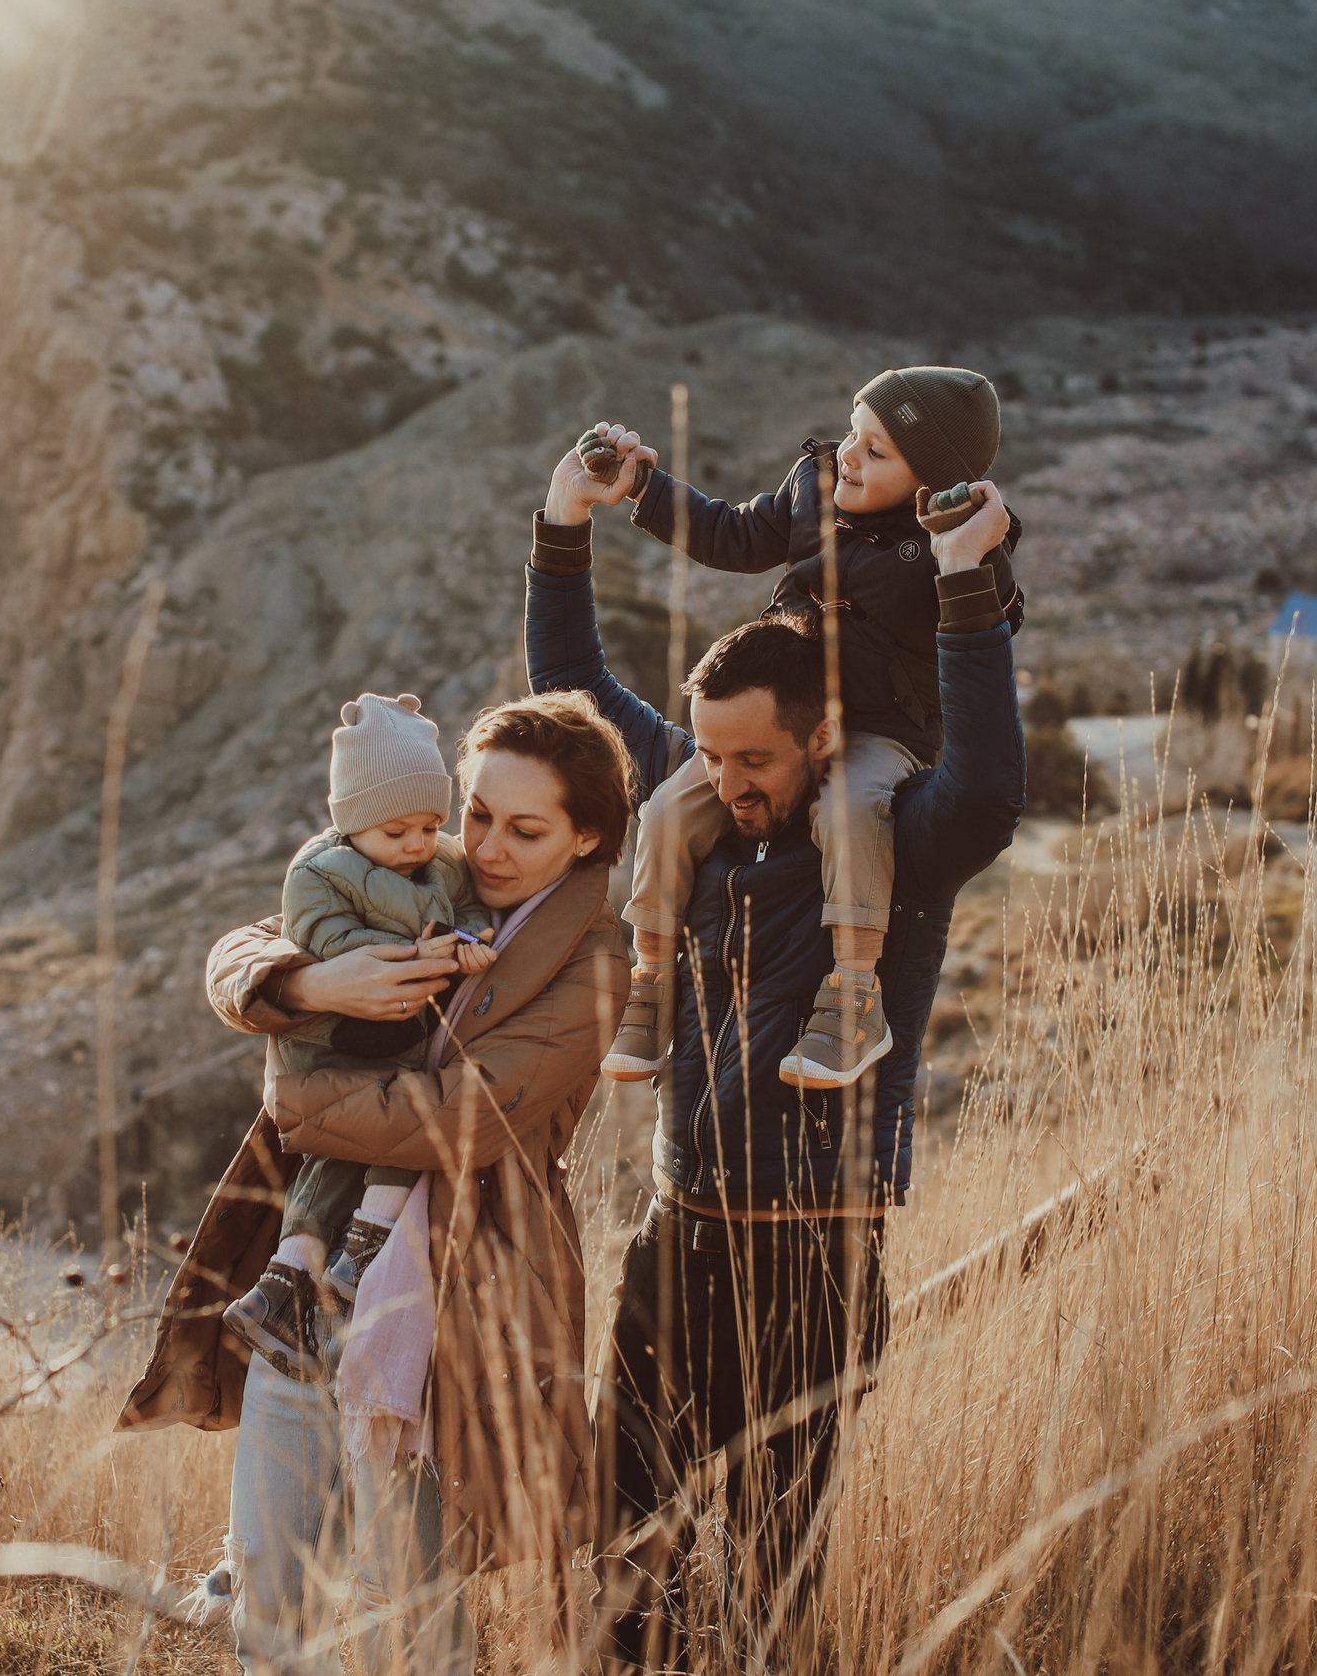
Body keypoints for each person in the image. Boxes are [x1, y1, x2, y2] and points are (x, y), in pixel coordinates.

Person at [525, 435, 1025, 1671]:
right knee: (617, 1565)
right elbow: (573, 682)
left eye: (755, 759)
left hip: (810, 1261)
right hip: (673, 1239)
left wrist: (965, 581)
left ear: (821, 738)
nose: (727, 778)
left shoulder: (903, 839)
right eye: (711, 753)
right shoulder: (695, 800)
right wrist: (564, 524)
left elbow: (993, 782)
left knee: (757, 1586)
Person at [117, 694, 632, 1676]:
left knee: (408, 1591)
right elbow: (242, 950)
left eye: (526, 830)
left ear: (588, 835)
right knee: (268, 1559)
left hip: (451, 1310)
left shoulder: (597, 961)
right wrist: (307, 988)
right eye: (476, 812)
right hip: (303, 1276)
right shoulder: (420, 871)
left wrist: (301, 1100)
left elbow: (457, 1118)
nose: (486, 845)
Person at [578, 367, 1026, 1092]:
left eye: (877, 451)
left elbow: (993, 616)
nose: (848, 453)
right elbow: (732, 532)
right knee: (665, 809)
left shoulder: (942, 542)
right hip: (781, 711)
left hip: (880, 729)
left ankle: (854, 994)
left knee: (852, 812)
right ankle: (653, 975)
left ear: (931, 482)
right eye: (854, 431)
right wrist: (642, 487)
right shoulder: (812, 488)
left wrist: (966, 554)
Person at [220, 691, 497, 1384]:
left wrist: (469, 939)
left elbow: (467, 908)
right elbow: (326, 940)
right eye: (396, 829)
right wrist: (408, 950)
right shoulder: (319, 872)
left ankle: (314, 1275)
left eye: (431, 824)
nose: (417, 843)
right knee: (355, 1131)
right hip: (335, 1037)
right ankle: (310, 1270)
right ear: (352, 822)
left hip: (402, 1030)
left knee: (388, 1120)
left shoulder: (445, 861)